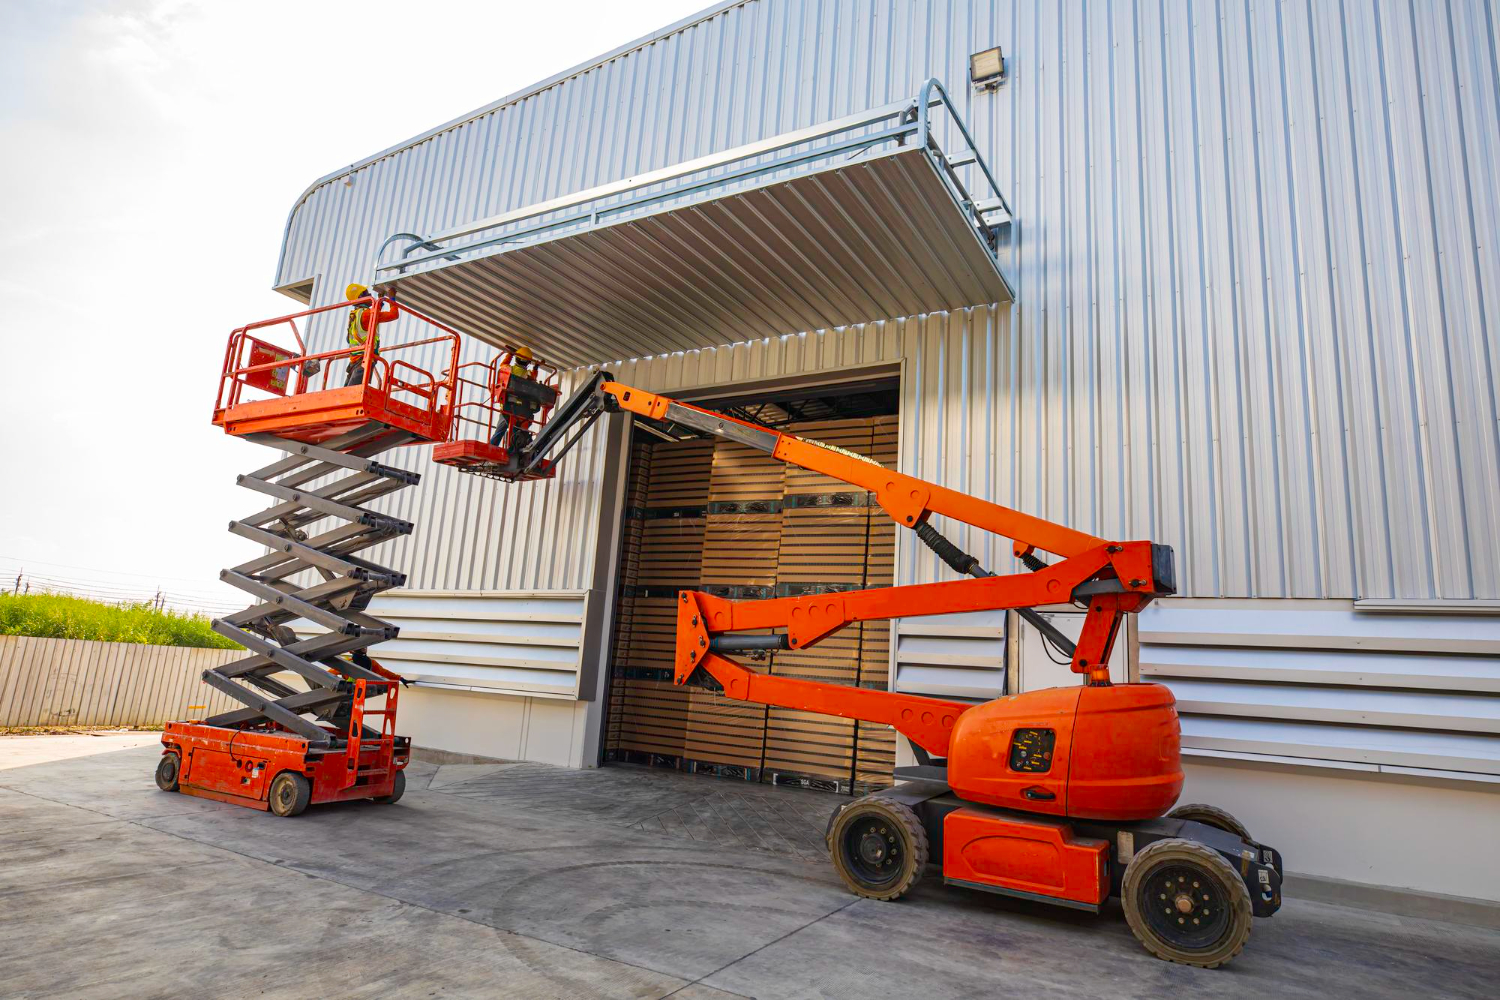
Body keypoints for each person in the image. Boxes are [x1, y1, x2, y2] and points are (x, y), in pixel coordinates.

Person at [343, 283, 399, 387]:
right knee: (355, 392)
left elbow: (372, 319)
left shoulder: (354, 314)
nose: (370, 295)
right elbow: (393, 315)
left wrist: (380, 302)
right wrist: (391, 298)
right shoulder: (366, 314)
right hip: (364, 360)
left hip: (355, 361)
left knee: (346, 393)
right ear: (361, 297)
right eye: (366, 293)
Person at [489, 346, 540, 451]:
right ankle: (513, 450)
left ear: (517, 358)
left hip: (507, 407)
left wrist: (510, 354)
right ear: (528, 363)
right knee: (516, 432)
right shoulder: (528, 374)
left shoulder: (510, 369)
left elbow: (503, 366)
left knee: (500, 431)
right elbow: (534, 377)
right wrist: (536, 367)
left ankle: (491, 448)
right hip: (521, 410)